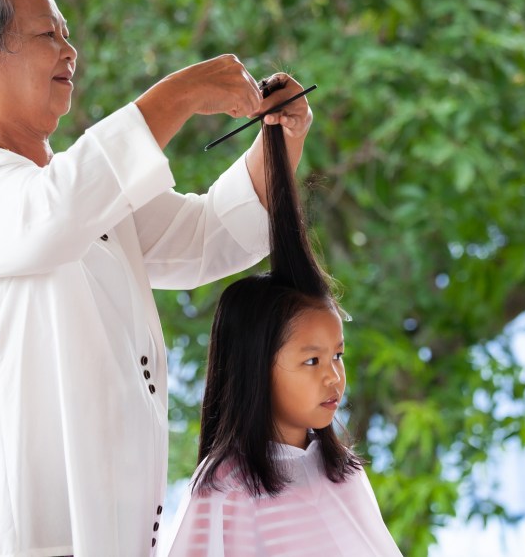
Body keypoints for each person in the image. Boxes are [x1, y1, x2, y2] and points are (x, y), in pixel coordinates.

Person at [0, 0, 314, 557]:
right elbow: (52, 216)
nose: (71, 52)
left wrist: (280, 141)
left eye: (69, 36)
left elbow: (205, 239)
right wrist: (180, 94)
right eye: (47, 35)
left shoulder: (78, 188)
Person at [159, 119, 401, 556]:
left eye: (338, 356)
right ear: (255, 367)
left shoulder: (342, 472)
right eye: (312, 361)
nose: (334, 378)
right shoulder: (225, 491)